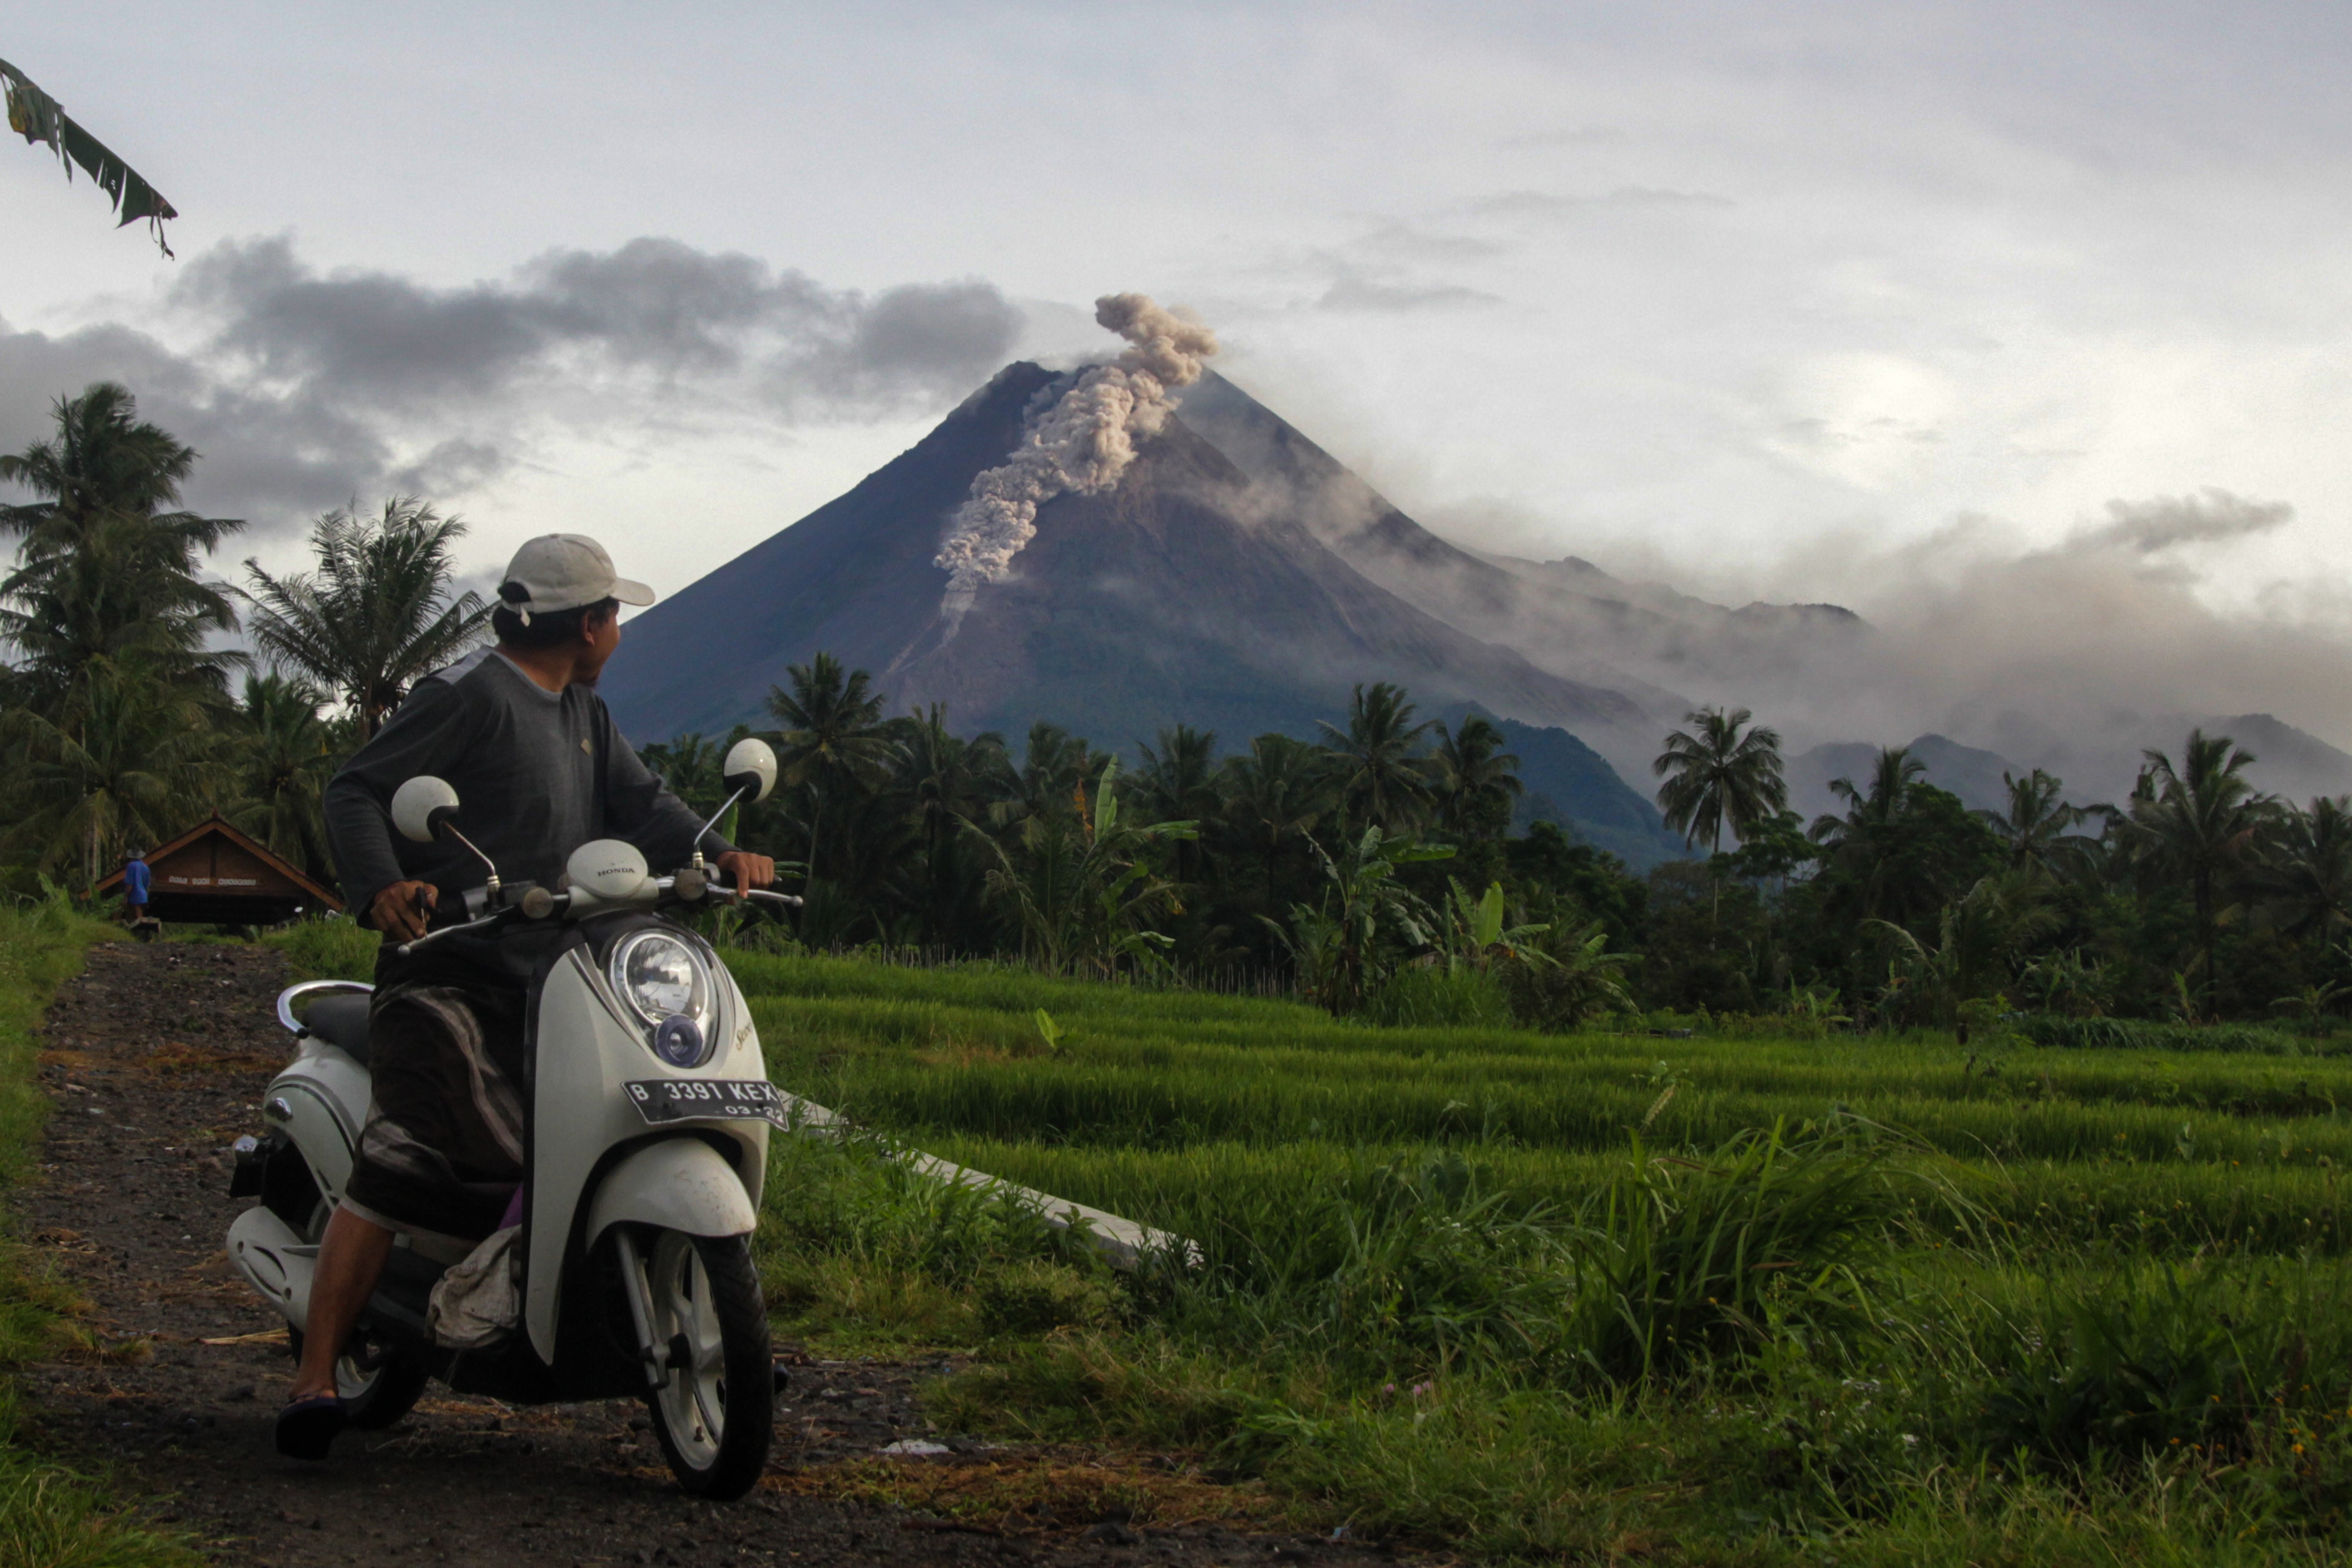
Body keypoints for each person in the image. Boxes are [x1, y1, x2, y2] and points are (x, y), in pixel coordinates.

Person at [278, 533, 775, 1460]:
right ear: (588, 625)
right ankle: (313, 1378)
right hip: (450, 973)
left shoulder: (582, 709)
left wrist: (715, 855)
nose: (619, 630)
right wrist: (382, 887)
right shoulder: (468, 698)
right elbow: (356, 790)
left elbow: (647, 806)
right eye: (614, 615)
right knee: (404, 1156)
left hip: (557, 973)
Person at [121, 849, 151, 935]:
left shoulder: (131, 866)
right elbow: (147, 885)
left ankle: (137, 934)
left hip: (135, 894)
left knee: (133, 915)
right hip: (143, 895)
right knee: (139, 914)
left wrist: (126, 897)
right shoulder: (146, 867)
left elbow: (129, 884)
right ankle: (141, 934)